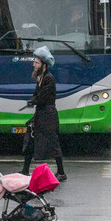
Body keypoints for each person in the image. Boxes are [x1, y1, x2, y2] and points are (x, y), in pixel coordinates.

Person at [21, 46, 67, 181]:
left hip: (48, 116)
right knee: (30, 140)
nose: (33, 65)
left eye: (36, 63)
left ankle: (61, 172)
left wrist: (33, 101)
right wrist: (33, 100)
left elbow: (43, 97)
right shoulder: (41, 77)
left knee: (53, 143)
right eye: (34, 62)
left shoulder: (49, 78)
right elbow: (37, 95)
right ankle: (25, 170)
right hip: (41, 114)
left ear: (44, 65)